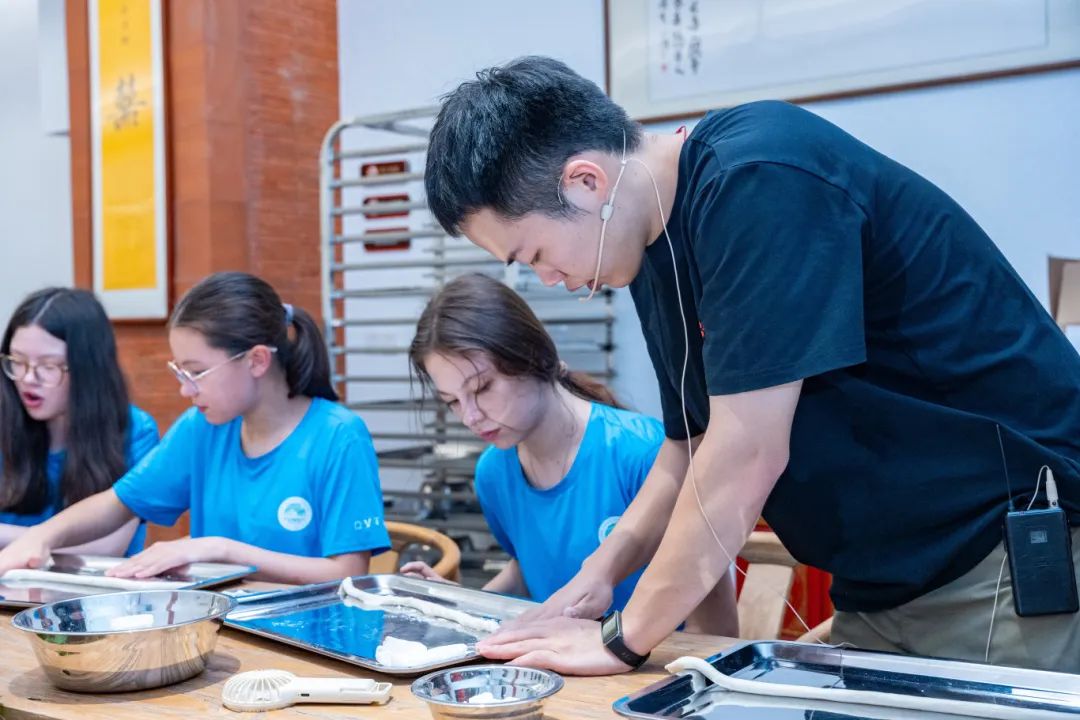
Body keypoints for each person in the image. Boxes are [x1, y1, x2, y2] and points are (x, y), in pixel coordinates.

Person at [419, 56, 1080, 674]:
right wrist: (595, 578)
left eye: (533, 254)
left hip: (991, 557)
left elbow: (746, 450)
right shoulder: (648, 249)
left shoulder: (759, 175)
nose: (547, 279)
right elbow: (688, 448)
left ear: (586, 182)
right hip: (880, 581)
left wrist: (622, 638)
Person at [399, 273, 738, 636]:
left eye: (482, 388)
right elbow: (532, 572)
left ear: (531, 355)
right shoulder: (493, 474)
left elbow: (714, 622)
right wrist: (463, 604)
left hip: (655, 662)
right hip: (560, 663)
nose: (470, 416)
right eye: (452, 401)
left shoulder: (645, 453)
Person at [0, 272, 390, 584]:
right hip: (223, 631)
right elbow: (117, 504)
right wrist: (41, 537)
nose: (186, 390)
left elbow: (348, 573)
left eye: (197, 372)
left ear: (256, 360)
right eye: (180, 372)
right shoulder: (201, 428)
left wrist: (221, 549)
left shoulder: (338, 436)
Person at [1, 288, 158, 555]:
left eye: (48, 366)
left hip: (94, 582)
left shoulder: (135, 431)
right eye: (17, 361)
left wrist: (23, 538)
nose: (28, 379)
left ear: (88, 369)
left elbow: (105, 548)